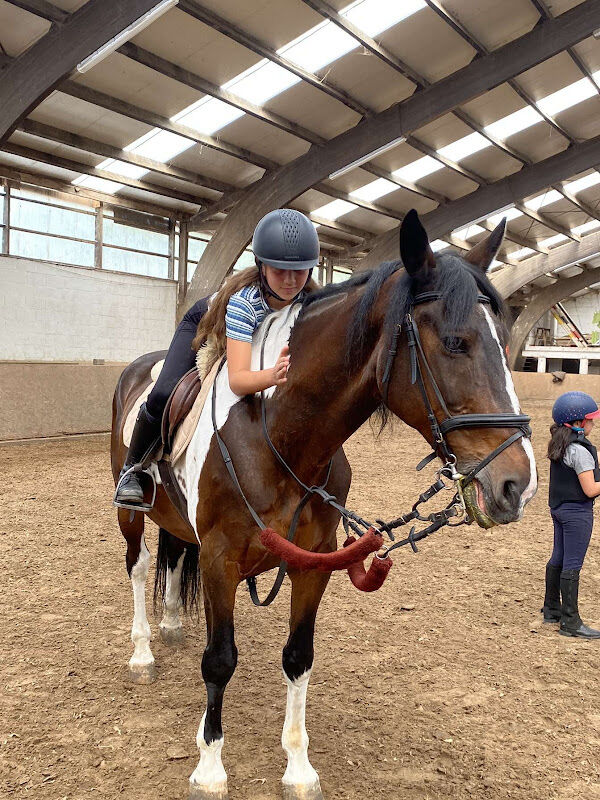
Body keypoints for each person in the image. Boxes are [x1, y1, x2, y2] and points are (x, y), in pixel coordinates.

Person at [114, 208, 320, 508]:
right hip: (205, 324)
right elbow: (238, 381)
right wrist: (271, 376)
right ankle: (132, 469)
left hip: (255, 334)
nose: (290, 281)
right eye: (279, 271)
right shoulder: (245, 304)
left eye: (299, 271)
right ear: (261, 267)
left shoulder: (309, 301)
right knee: (163, 391)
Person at [543, 390, 600, 638]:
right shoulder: (581, 450)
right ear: (577, 423)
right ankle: (570, 622)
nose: (593, 423)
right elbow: (589, 489)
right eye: (590, 420)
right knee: (573, 565)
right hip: (577, 512)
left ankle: (551, 609)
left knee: (558, 558)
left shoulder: (560, 442)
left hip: (559, 509)